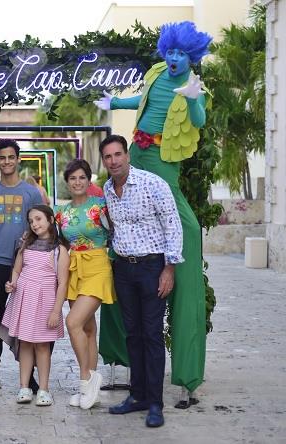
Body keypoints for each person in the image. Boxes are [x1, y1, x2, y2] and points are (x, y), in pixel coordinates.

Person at [94, 22, 212, 403]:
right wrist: (115, 104)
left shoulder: (194, 86)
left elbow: (199, 120)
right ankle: (121, 360)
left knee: (185, 227)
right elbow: (142, 102)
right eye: (171, 51)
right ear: (165, 52)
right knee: (114, 219)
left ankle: (183, 374)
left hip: (163, 159)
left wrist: (192, 99)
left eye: (182, 53)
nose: (174, 57)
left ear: (191, 56)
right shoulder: (157, 73)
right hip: (138, 150)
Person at [100, 135, 183, 428]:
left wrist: (169, 269)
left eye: (118, 154)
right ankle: (137, 396)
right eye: (108, 157)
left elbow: (173, 224)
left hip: (152, 268)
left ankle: (155, 403)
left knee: (151, 335)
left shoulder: (152, 184)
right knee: (132, 335)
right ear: (104, 161)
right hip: (123, 269)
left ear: (127, 155)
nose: (114, 161)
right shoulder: (108, 189)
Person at [0, 139, 43, 393]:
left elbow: (40, 228)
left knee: (28, 324)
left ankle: (30, 377)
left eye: (11, 157)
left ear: (18, 159)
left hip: (26, 267)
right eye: (2, 157)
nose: (7, 161)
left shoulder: (31, 193)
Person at [56, 159, 115, 410]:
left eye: (82, 177)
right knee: (88, 329)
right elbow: (59, 242)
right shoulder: (61, 212)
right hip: (74, 270)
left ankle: (85, 381)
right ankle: (92, 388)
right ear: (67, 182)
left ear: (88, 180)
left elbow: (117, 232)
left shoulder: (101, 206)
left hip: (98, 267)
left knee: (73, 322)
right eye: (73, 178)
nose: (77, 182)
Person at [0, 205, 69, 407]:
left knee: (42, 345)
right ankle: (24, 387)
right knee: (25, 343)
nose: (34, 224)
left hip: (45, 302)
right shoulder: (26, 245)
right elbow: (17, 270)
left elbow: (63, 283)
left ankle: (44, 389)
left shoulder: (59, 250)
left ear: (50, 220)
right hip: (24, 299)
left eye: (38, 219)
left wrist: (56, 311)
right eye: (31, 221)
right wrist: (12, 284)